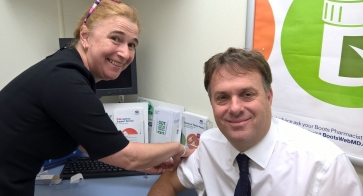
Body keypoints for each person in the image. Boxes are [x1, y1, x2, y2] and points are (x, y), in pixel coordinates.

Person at [0, 0, 193, 196]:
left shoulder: (66, 68)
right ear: (85, 36)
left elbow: (88, 140)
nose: (125, 53)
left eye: (132, 44)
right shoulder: (65, 79)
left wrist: (142, 165)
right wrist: (178, 148)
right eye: (115, 38)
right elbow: (127, 156)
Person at [148, 47, 363, 196]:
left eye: (247, 94)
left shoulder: (324, 165)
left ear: (268, 98)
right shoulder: (208, 146)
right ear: (212, 103)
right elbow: (168, 183)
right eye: (222, 97)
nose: (235, 108)